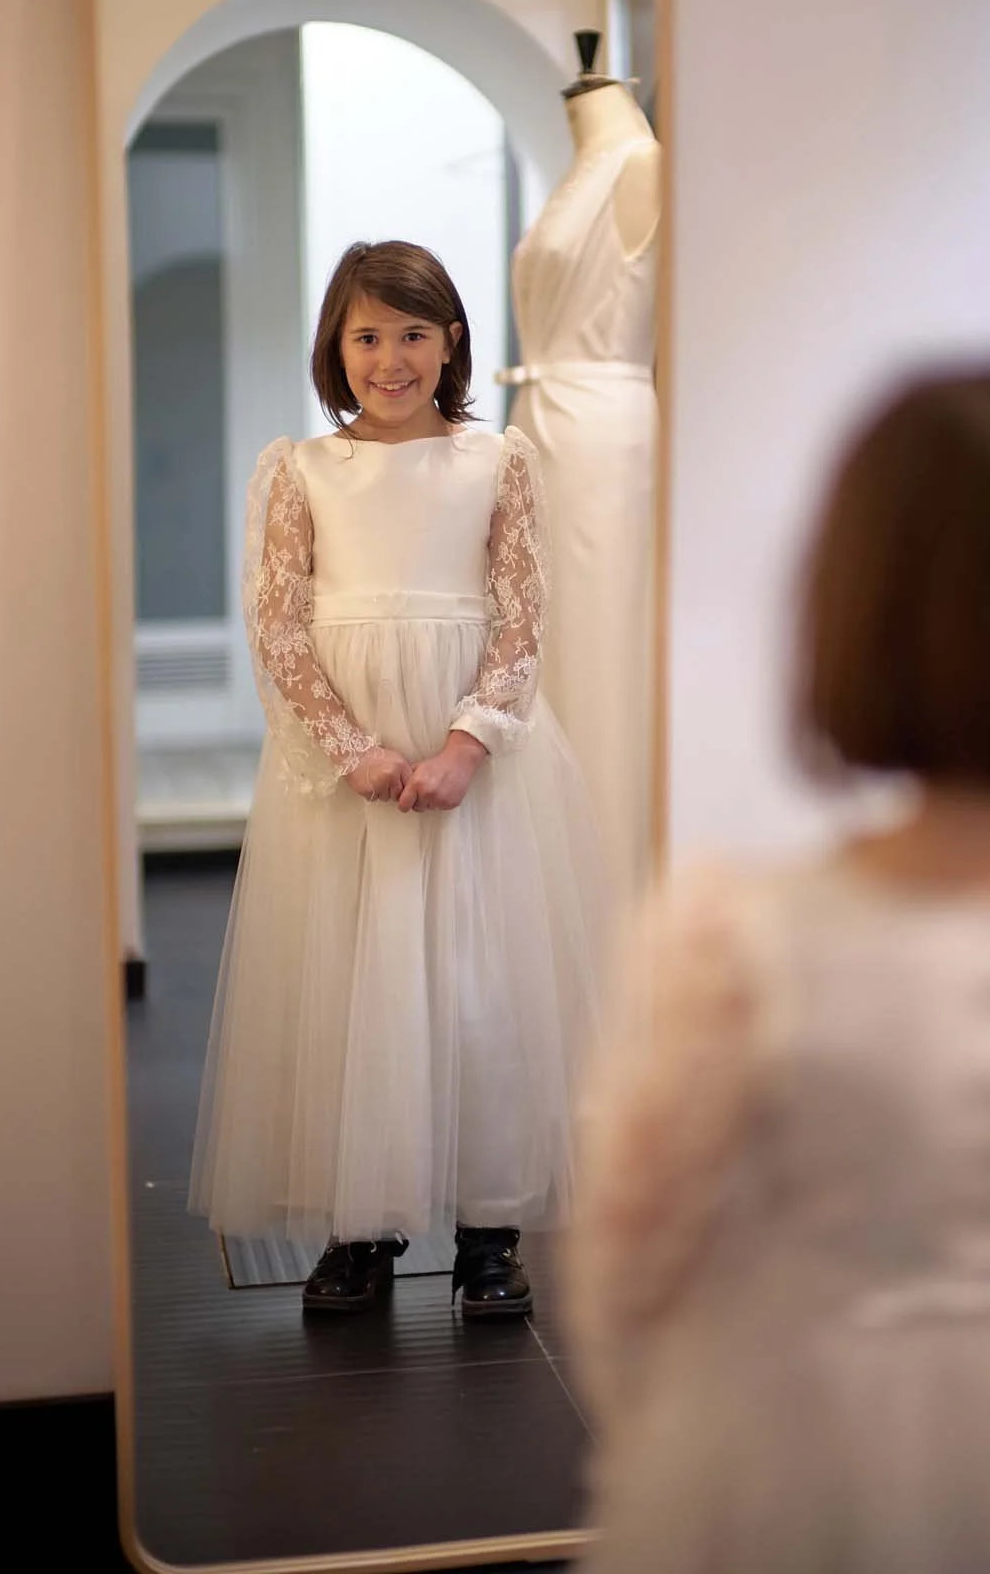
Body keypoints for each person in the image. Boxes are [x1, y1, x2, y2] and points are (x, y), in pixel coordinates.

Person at [566, 366, 990, 1571]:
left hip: (808, 1410)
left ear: (858, 609)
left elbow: (633, 1254)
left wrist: (666, 1428)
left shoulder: (739, 935)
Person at [189, 241, 603, 1320]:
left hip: (473, 752)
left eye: (414, 333)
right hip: (352, 759)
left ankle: (488, 1223)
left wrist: (469, 740)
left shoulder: (494, 459)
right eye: (367, 335)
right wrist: (349, 745)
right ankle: (362, 1225)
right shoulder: (302, 469)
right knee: (353, 977)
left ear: (451, 339)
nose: (391, 356)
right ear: (337, 344)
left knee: (477, 980)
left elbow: (521, 613)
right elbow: (278, 623)